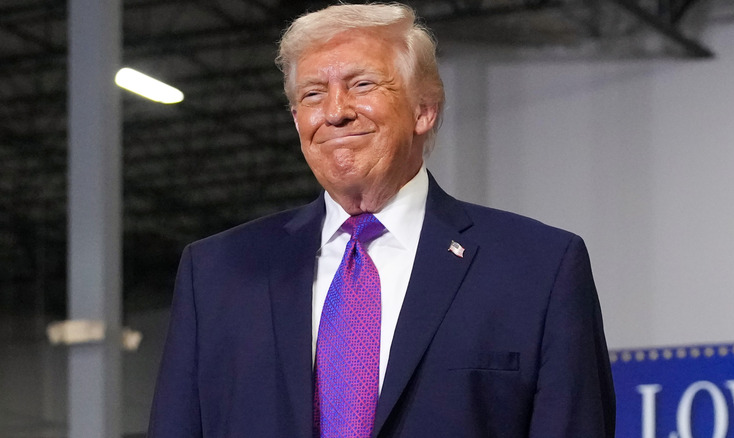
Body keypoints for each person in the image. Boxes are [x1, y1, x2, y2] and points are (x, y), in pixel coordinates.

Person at [148, 3, 615, 437]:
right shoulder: (214, 273)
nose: (335, 112)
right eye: (312, 94)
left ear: (424, 110)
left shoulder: (538, 268)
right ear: (296, 121)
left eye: (362, 84)